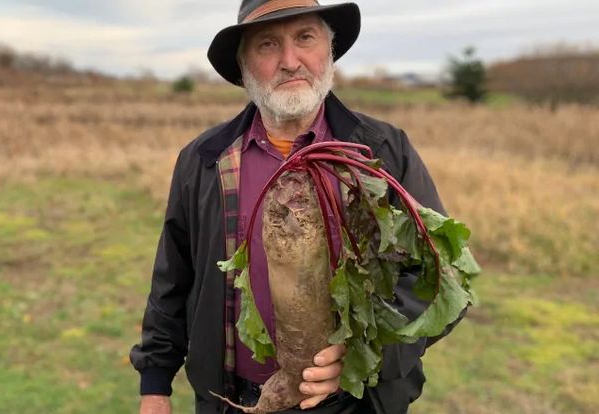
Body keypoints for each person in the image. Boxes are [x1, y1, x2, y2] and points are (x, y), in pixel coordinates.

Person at [131, 1, 461, 413]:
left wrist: (365, 352)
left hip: (355, 401)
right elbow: (173, 280)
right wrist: (155, 384)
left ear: (329, 48)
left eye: (305, 38)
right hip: (230, 400)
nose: (290, 61)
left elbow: (436, 274)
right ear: (244, 64)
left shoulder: (380, 152)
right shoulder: (204, 160)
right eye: (267, 45)